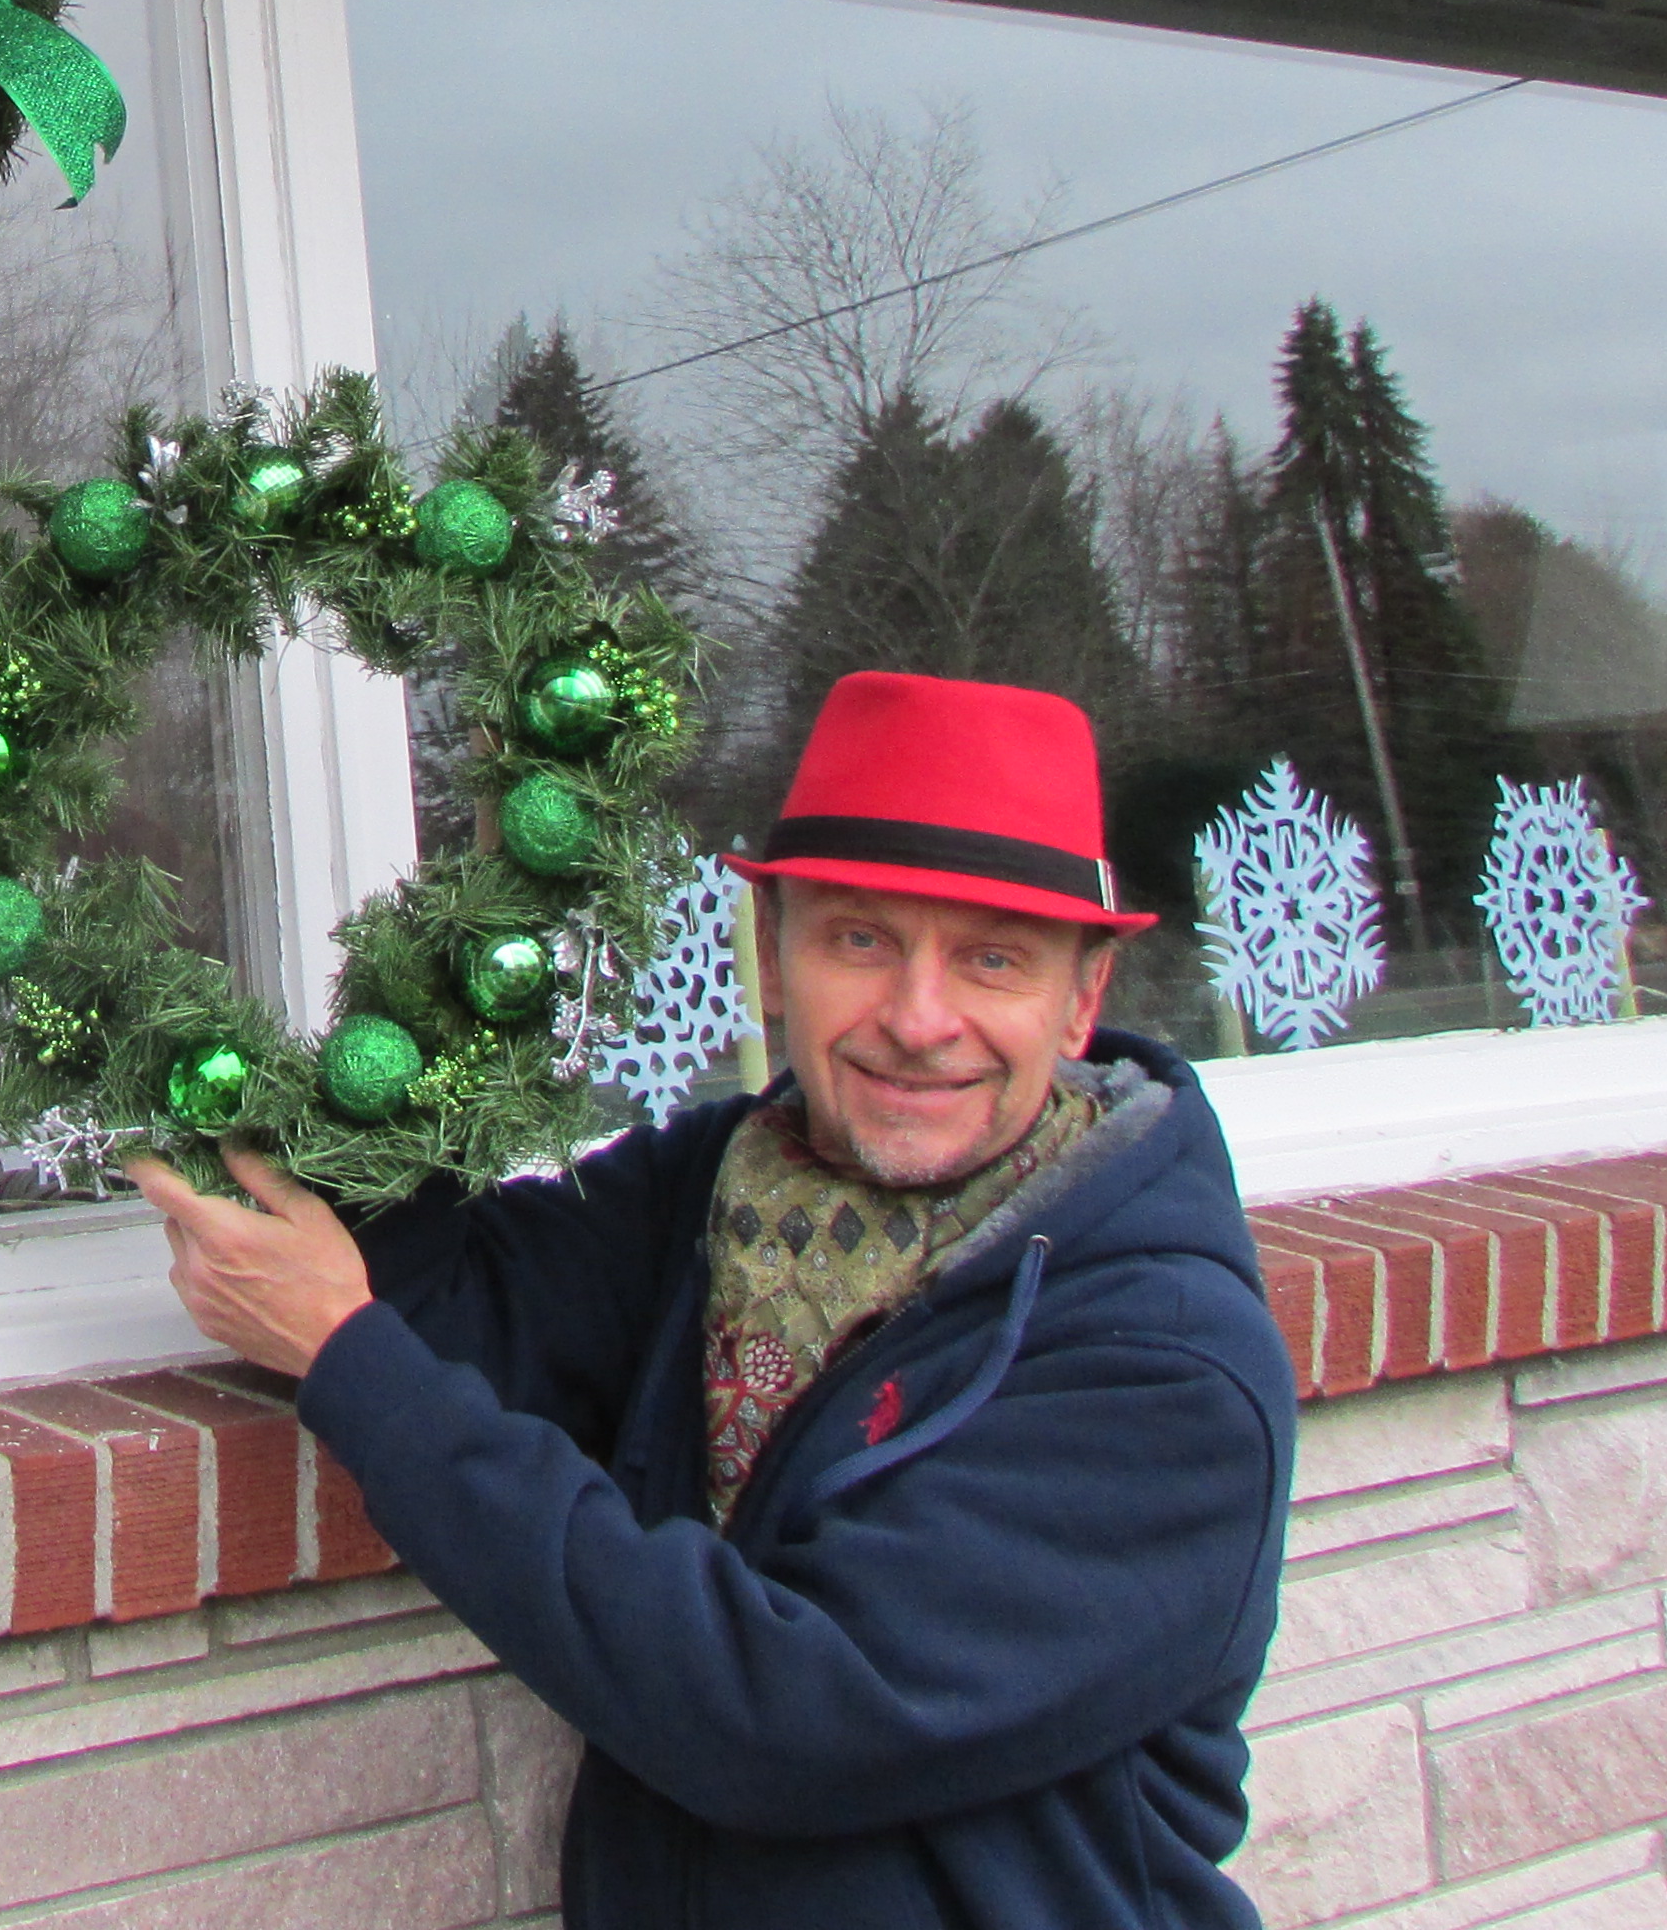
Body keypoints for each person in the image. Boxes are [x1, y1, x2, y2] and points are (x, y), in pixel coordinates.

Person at [131, 669, 1294, 1930]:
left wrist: (349, 1358)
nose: (919, 1020)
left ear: (1081, 1003)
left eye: (992, 961)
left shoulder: (1162, 1363)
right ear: (775, 956)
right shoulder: (725, 1187)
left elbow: (786, 1717)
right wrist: (474, 963)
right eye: (861, 940)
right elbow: (442, 1302)